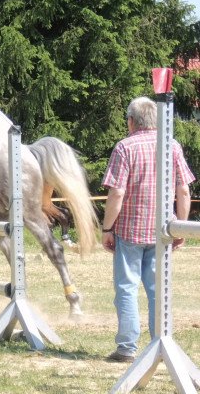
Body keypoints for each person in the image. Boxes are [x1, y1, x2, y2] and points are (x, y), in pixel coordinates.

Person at [101, 96, 195, 363]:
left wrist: (107, 228)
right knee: (157, 290)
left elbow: (117, 193)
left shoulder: (124, 147)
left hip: (130, 231)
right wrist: (182, 227)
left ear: (131, 121)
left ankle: (127, 348)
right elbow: (184, 189)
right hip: (163, 232)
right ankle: (159, 343)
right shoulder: (172, 146)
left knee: (126, 288)